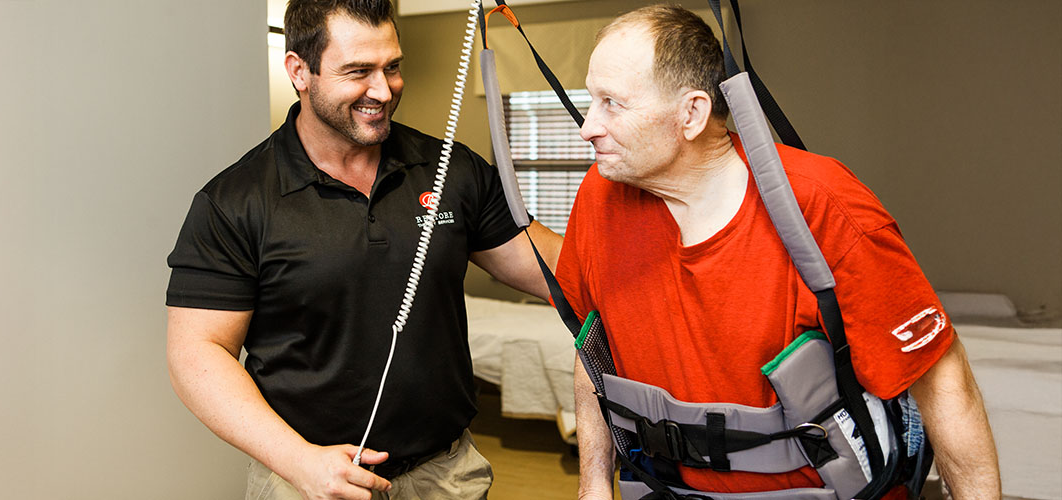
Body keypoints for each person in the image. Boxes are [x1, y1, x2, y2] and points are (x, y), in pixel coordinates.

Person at [557, 5, 1000, 499]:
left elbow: (942, 382)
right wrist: (594, 484)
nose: (588, 126)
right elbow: (592, 347)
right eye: (591, 100)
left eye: (611, 103)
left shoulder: (824, 204)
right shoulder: (599, 199)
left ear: (692, 113)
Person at [164, 1, 561, 499]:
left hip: (446, 474)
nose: (383, 90)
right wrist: (299, 461)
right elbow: (196, 352)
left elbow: (557, 270)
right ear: (299, 72)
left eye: (392, 67)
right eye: (358, 71)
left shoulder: (451, 169)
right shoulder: (235, 202)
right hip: (306, 479)